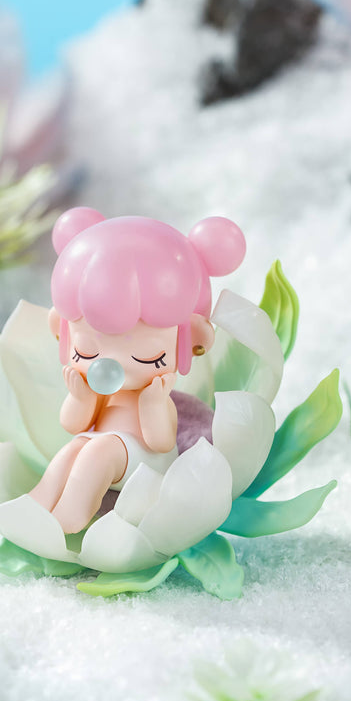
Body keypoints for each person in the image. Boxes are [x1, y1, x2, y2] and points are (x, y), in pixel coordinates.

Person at [28, 206, 245, 534]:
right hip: (109, 448)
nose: (113, 364)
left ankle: (71, 516)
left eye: (148, 357)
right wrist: (81, 397)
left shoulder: (158, 396)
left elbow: (160, 442)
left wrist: (153, 403)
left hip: (147, 464)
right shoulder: (101, 390)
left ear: (193, 340)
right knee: (74, 448)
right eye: (86, 350)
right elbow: (73, 425)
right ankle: (37, 503)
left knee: (99, 450)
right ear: (62, 329)